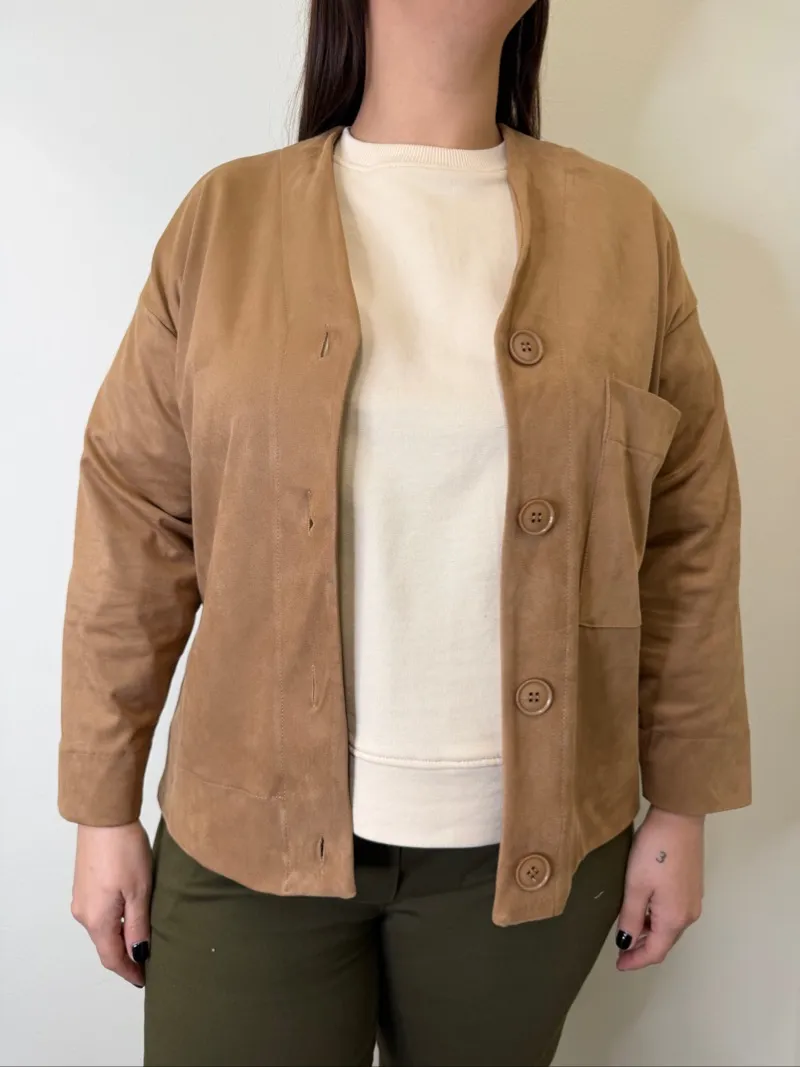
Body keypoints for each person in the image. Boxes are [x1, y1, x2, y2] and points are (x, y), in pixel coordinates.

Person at [59, 1, 751, 1064]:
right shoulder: (226, 219)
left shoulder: (624, 231)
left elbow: (686, 536)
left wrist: (684, 806)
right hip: (245, 839)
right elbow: (136, 518)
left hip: (531, 855)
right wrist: (102, 807)